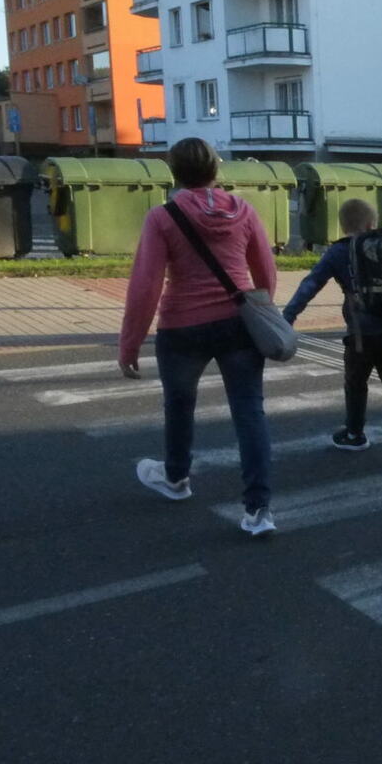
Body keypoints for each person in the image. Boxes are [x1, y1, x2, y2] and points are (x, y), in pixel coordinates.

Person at [118, 137, 278, 537]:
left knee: (179, 404)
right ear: (215, 168)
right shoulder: (243, 210)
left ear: (174, 172)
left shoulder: (162, 216)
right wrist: (261, 313)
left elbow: (146, 284)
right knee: (249, 412)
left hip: (182, 326)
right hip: (239, 322)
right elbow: (266, 272)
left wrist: (130, 343)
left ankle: (176, 478)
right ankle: (258, 511)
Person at [281, 198, 382, 460]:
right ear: (372, 223)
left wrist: (287, 317)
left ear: (344, 227)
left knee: (356, 383)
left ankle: (355, 434)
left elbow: (310, 285)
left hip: (362, 333)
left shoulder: (339, 251)